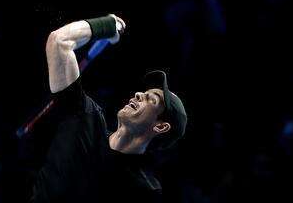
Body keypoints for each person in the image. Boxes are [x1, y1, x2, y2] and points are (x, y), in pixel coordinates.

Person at [29, 14, 188, 202]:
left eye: (151, 99)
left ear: (160, 126)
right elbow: (59, 42)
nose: (139, 94)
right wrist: (106, 26)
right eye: (144, 92)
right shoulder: (86, 119)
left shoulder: (144, 190)